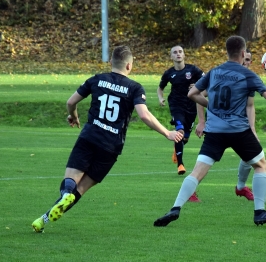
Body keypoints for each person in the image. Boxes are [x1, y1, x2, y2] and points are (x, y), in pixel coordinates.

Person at [154, 35, 266, 227]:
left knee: (197, 173)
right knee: (260, 165)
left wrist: (211, 106)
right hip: (238, 130)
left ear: (227, 52)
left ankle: (175, 208)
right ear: (243, 53)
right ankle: (259, 212)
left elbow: (192, 94)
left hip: (215, 131)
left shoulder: (214, 72)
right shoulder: (247, 74)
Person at [31, 45, 183, 233]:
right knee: (82, 188)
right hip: (111, 147)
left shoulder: (97, 79)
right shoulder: (134, 87)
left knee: (70, 182)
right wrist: (167, 132)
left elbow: (71, 102)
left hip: (89, 137)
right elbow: (144, 115)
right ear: (129, 66)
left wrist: (74, 116)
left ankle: (62, 197)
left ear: (111, 62)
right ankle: (43, 220)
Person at [194, 48, 255, 202]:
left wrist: (253, 129)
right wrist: (202, 121)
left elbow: (250, 106)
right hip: (218, 127)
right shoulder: (222, 77)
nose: (245, 62)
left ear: (250, 62)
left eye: (248, 60)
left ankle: (241, 187)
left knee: (251, 156)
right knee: (206, 160)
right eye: (244, 58)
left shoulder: (249, 79)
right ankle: (191, 190)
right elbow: (198, 95)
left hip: (239, 127)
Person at [157, 45, 204, 202]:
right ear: (171, 56)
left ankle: (176, 149)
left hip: (191, 107)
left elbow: (206, 81)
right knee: (180, 131)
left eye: (180, 52)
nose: (178, 54)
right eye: (175, 53)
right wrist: (161, 98)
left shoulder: (193, 70)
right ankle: (181, 165)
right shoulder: (169, 73)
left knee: (184, 138)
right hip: (176, 106)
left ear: (184, 54)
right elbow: (160, 88)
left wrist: (197, 87)